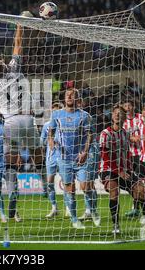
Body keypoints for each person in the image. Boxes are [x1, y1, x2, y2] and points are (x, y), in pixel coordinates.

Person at [0, 14, 43, 205]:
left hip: (11, 122)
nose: (2, 60)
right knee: (37, 156)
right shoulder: (14, 68)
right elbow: (17, 43)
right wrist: (20, 24)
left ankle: (12, 194)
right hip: (28, 119)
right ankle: (48, 185)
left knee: (11, 160)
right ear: (1, 66)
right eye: (0, 61)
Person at [99, 105, 145, 235]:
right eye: (115, 113)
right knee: (114, 191)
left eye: (121, 114)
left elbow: (127, 153)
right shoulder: (105, 134)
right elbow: (105, 156)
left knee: (144, 192)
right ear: (112, 116)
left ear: (125, 118)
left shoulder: (125, 134)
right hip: (108, 169)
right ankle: (116, 225)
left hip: (124, 170)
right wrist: (119, 171)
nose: (118, 115)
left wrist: (129, 169)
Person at [48, 88, 92, 229]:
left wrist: (85, 152)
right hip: (64, 158)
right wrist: (51, 140)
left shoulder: (84, 116)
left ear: (77, 99)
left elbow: (90, 135)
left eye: (72, 95)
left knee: (85, 186)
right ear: (64, 98)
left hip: (80, 157)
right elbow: (51, 132)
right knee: (70, 190)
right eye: (67, 95)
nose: (69, 96)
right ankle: (74, 219)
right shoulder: (56, 115)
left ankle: (91, 209)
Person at [122, 99, 144, 218]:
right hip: (130, 155)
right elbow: (123, 136)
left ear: (133, 106)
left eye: (129, 105)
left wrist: (139, 137)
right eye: (125, 106)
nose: (128, 108)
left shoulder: (140, 117)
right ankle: (135, 208)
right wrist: (132, 138)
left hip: (142, 153)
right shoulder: (123, 122)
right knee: (134, 182)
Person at [40, 103, 62, 218]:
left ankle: (69, 208)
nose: (55, 113)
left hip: (64, 157)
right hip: (50, 158)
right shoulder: (46, 125)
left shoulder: (65, 124)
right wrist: (47, 140)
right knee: (49, 184)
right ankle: (54, 207)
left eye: (57, 111)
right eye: (53, 111)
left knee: (68, 183)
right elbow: (41, 141)